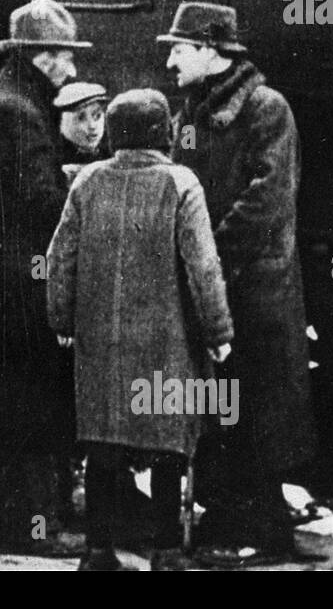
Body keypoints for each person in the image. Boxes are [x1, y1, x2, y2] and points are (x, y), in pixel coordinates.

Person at [157, 2, 321, 568]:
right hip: (217, 287)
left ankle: (266, 531)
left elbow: (270, 198)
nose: (171, 59)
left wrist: (207, 250)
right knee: (221, 407)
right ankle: (228, 520)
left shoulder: (265, 108)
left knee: (257, 408)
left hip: (256, 290)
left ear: (211, 50)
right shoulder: (194, 113)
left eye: (180, 48)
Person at [46, 89, 234, 571]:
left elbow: (59, 258)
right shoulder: (180, 183)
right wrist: (217, 330)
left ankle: (97, 551)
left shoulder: (87, 181)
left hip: (100, 341)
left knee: (104, 443)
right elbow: (203, 266)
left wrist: (62, 319)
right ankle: (167, 551)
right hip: (166, 341)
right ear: (163, 134)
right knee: (167, 444)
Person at [0, 0, 89, 552]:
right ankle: (33, 529)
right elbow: (41, 204)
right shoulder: (20, 111)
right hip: (24, 287)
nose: (72, 69)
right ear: (41, 57)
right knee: (35, 402)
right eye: (64, 57)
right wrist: (79, 187)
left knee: (2, 402)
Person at [52, 81, 109, 181]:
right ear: (61, 122)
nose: (92, 126)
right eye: (81, 118)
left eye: (97, 116)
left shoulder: (110, 155)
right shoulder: (53, 159)